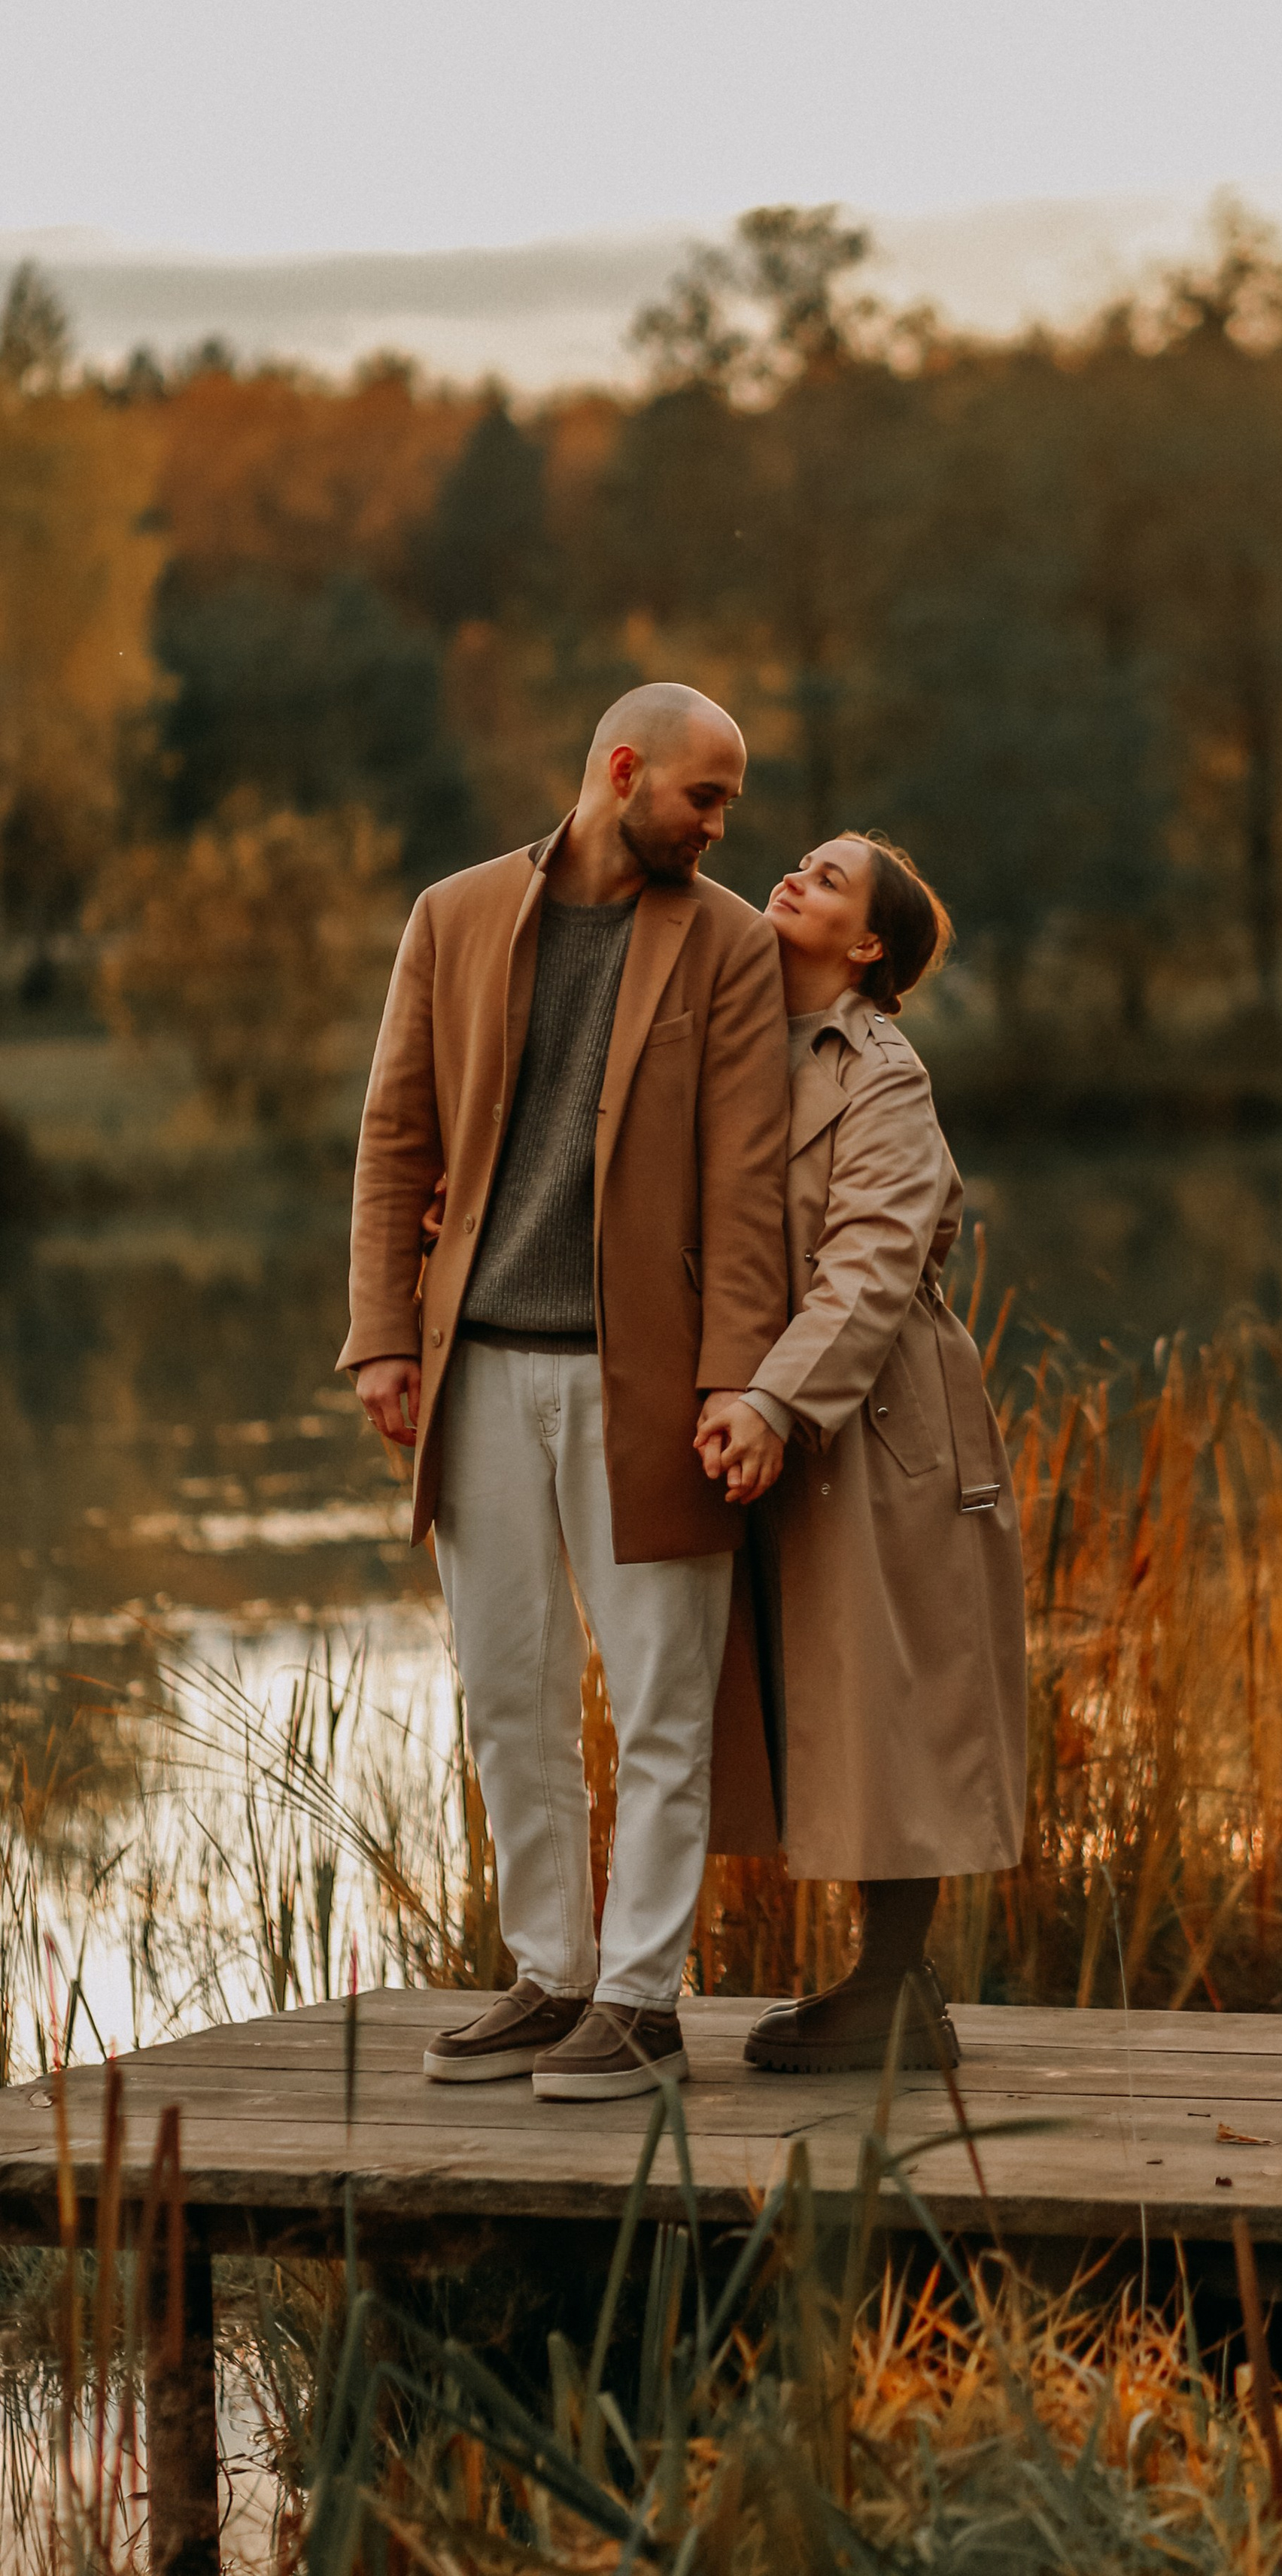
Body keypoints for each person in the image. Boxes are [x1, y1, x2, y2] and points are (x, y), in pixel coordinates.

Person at [339, 684, 790, 2102]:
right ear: (623, 769)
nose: (719, 827)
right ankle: (552, 1979)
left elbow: (748, 1182)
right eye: (704, 797)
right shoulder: (454, 915)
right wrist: (384, 1335)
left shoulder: (729, 944)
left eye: (728, 804)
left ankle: (644, 2003)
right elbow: (396, 1134)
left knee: (661, 1700)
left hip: (647, 1381)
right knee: (508, 1697)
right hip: (477, 1366)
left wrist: (735, 1380)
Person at [696, 834, 1028, 2071]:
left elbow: (875, 1261)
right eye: (798, 864)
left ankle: (889, 1989)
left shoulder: (882, 1073)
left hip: (882, 1420)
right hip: (781, 1402)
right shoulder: (737, 1040)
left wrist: (777, 1404)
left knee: (892, 1692)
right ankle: (899, 1992)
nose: (792, 878)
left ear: (869, 944)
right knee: (823, 1691)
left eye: (828, 881)